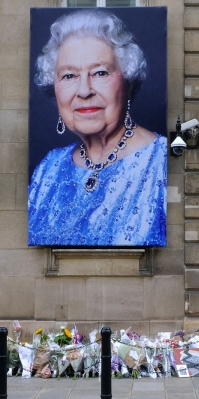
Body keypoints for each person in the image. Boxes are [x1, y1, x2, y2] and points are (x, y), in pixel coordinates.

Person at [28, 10, 167, 247]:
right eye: (69, 75)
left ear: (128, 79)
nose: (84, 91)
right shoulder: (47, 169)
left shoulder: (162, 162)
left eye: (100, 72)